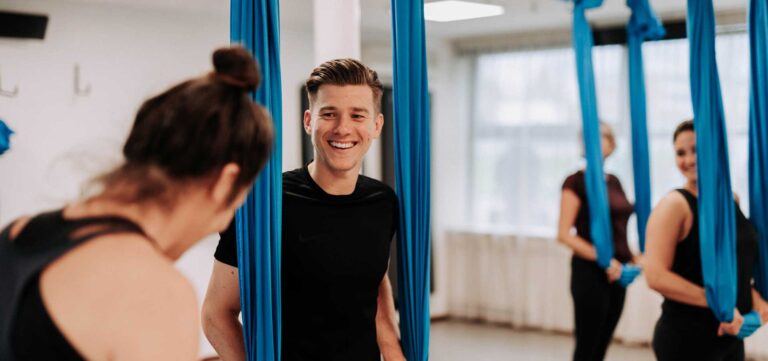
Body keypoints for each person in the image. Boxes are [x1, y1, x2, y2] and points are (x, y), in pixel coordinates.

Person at [0, 46, 274, 361]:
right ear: (225, 181)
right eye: (239, 199)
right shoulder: (154, 293)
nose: (222, 222)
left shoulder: (19, 233)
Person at [202, 58, 405, 361]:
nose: (343, 128)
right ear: (309, 120)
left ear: (376, 125)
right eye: (329, 114)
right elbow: (217, 313)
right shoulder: (264, 205)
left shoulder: (383, 201)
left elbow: (373, 285)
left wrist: (394, 353)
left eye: (357, 115)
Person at [645, 120, 768, 361]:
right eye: (680, 153)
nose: (688, 160)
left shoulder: (731, 199)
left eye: (696, 150)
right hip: (686, 337)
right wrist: (718, 302)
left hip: (730, 334)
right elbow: (655, 275)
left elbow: (735, 264)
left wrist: (756, 301)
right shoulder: (675, 205)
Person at [557, 121, 637, 361]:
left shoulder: (614, 181)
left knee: (602, 343)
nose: (595, 140)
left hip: (618, 273)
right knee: (587, 345)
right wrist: (604, 260)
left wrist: (632, 259)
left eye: (602, 136)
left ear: (612, 143)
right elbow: (563, 234)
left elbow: (618, 228)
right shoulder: (575, 181)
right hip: (591, 272)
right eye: (589, 136)